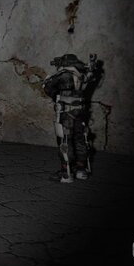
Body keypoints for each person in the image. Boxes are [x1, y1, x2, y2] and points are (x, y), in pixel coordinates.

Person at [42, 53, 101, 183]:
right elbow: (90, 77)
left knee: (65, 140)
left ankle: (66, 174)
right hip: (80, 112)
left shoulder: (62, 75)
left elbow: (47, 88)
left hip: (66, 113)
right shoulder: (81, 76)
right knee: (80, 139)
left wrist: (48, 84)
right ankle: (81, 170)